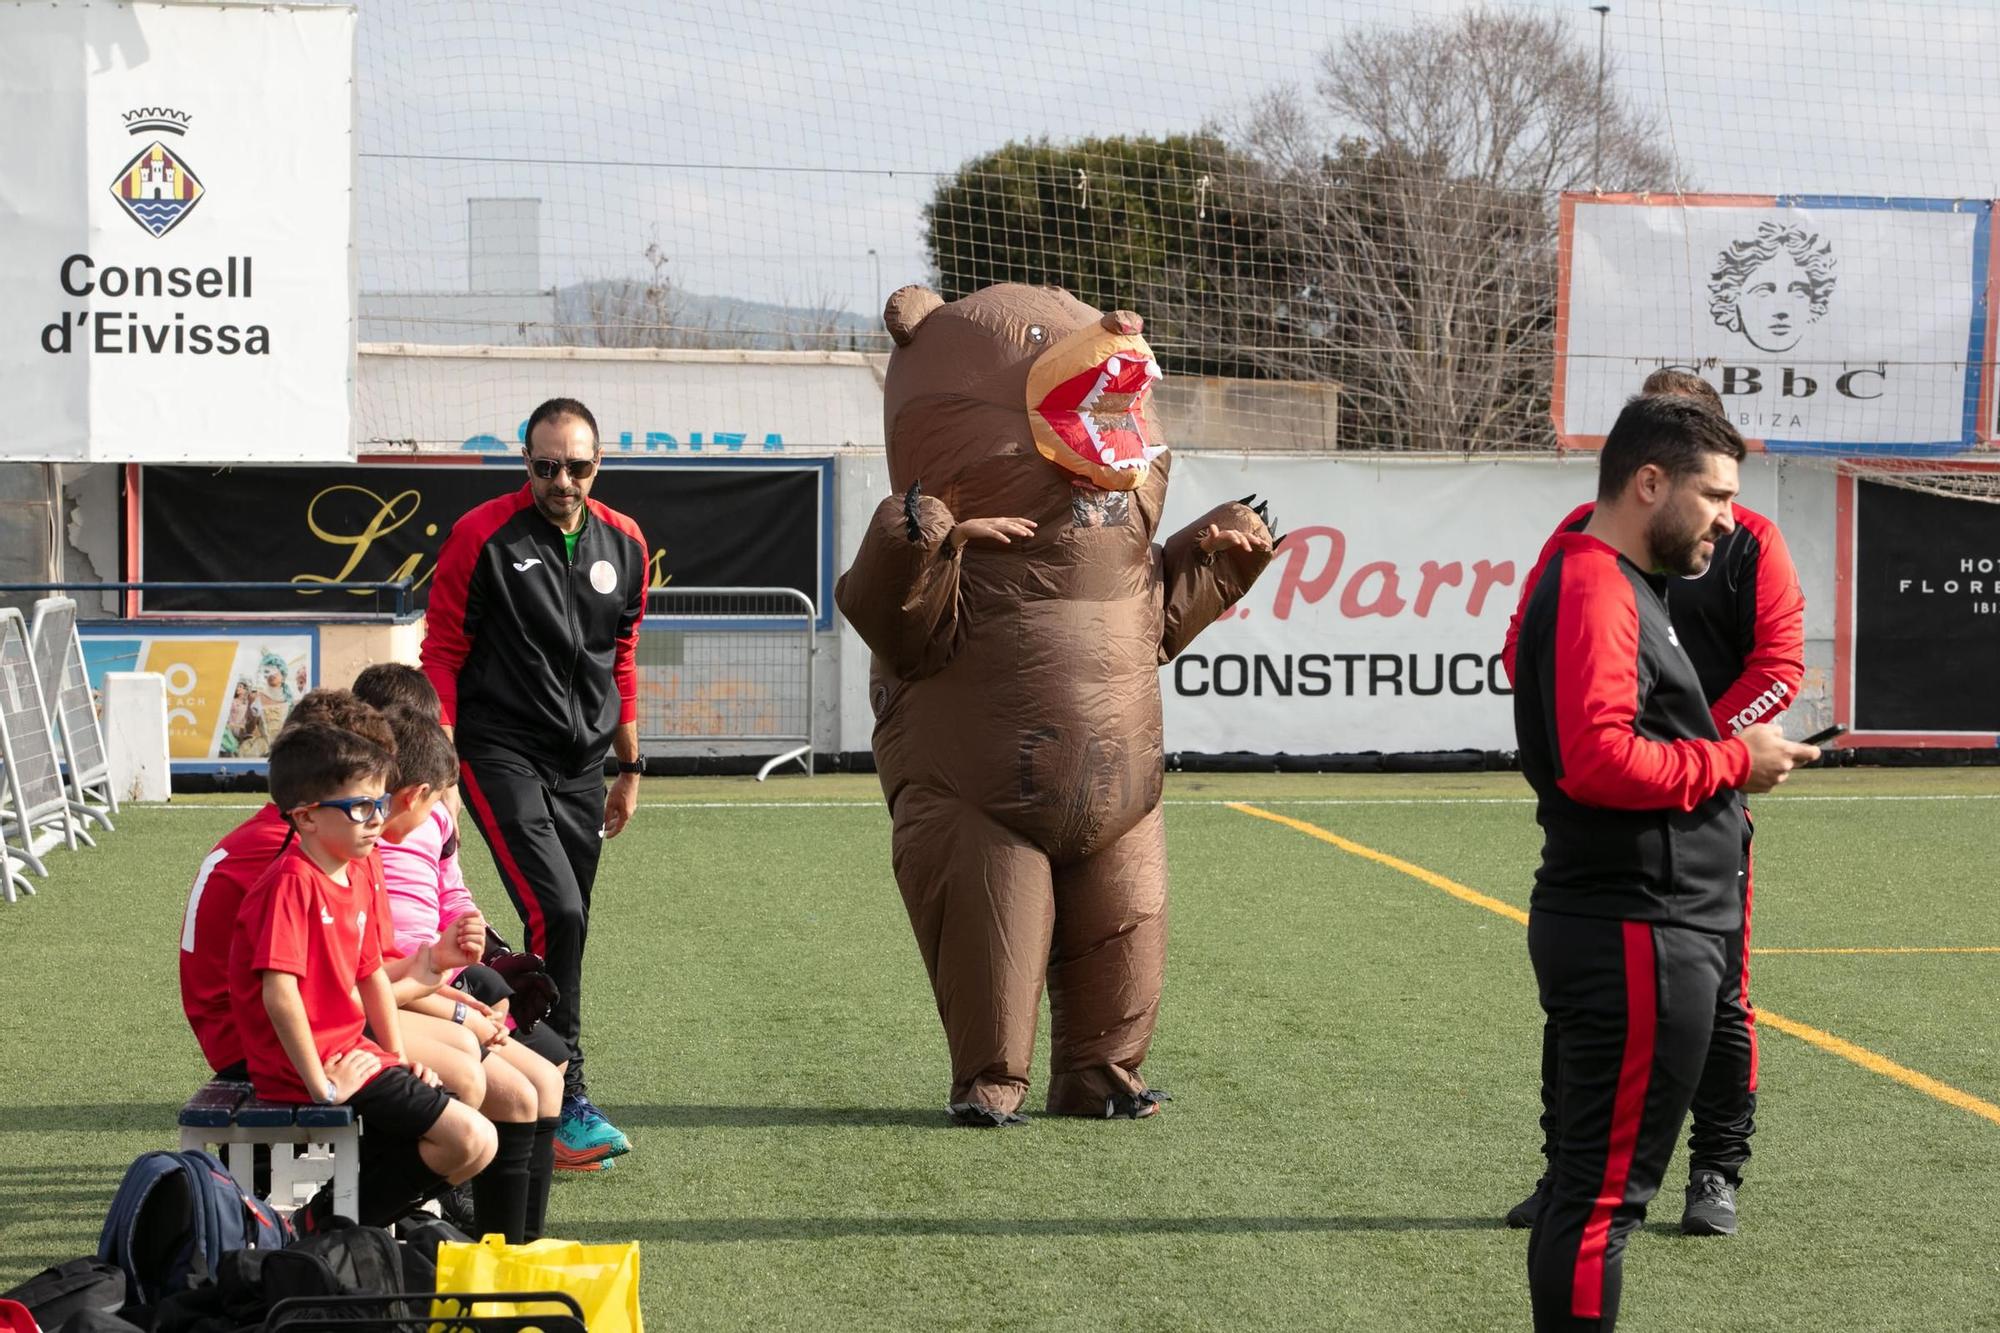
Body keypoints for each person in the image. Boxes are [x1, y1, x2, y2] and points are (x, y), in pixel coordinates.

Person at [1510, 394, 1819, 1332]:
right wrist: (1736, 759)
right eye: (1716, 496)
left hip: (1639, 918)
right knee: (1600, 1206)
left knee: (1592, 1196)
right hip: (1635, 927)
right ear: (1651, 483)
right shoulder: (1599, 583)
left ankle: (1718, 1165)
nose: (1730, 520)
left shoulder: (1613, 578)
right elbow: (1596, 759)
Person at [421, 396, 649, 1163]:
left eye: (577, 466)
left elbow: (620, 659)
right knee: (559, 910)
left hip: (585, 765)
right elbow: (443, 653)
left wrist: (629, 764)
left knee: (566, 919)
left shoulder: (627, 542)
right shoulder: (482, 535)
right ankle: (568, 1088)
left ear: (598, 464)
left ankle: (506, 1018)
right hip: (499, 753)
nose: (562, 479)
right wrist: (442, 765)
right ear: (525, 463)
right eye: (546, 465)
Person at [227, 722, 496, 1229]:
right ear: (305, 817)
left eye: (379, 804)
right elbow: (280, 995)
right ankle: (324, 1230)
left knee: (471, 1139)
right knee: (471, 1139)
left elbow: (370, 973)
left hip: (355, 1053)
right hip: (308, 1068)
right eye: (359, 808)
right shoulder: (290, 884)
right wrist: (320, 1086)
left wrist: (395, 1058)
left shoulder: (354, 868)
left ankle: (330, 1227)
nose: (376, 820)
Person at [373, 703, 563, 1241]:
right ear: (417, 793)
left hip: (417, 987)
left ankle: (518, 1253)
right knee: (500, 1089)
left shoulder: (419, 824)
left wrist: (469, 932)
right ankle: (406, 1222)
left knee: (548, 1075)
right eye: (440, 796)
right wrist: (461, 1009)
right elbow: (369, 981)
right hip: (381, 1009)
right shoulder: (356, 850)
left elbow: (447, 901)